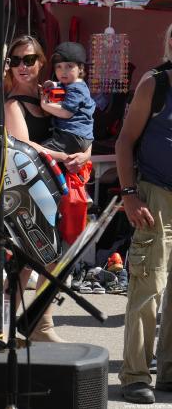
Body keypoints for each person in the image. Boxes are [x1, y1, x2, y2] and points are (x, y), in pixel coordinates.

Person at [3, 35, 91, 342]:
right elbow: (22, 146)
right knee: (26, 261)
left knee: (51, 258)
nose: (22, 67)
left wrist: (86, 154)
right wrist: (64, 157)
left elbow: (80, 125)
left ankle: (40, 324)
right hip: (26, 192)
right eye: (15, 61)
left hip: (50, 187)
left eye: (29, 60)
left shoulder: (50, 95)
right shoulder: (14, 103)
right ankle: (3, 329)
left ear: (42, 63)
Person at [116, 29, 172, 405]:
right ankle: (136, 374)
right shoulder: (156, 84)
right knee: (147, 287)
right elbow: (124, 141)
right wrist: (129, 194)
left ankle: (168, 372)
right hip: (155, 196)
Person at [39, 41, 95, 155]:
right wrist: (54, 84)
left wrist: (45, 105)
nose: (63, 71)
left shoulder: (77, 89)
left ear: (80, 68)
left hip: (73, 136)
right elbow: (63, 86)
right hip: (76, 136)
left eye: (69, 66)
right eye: (58, 66)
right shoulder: (71, 83)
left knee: (39, 152)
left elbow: (66, 113)